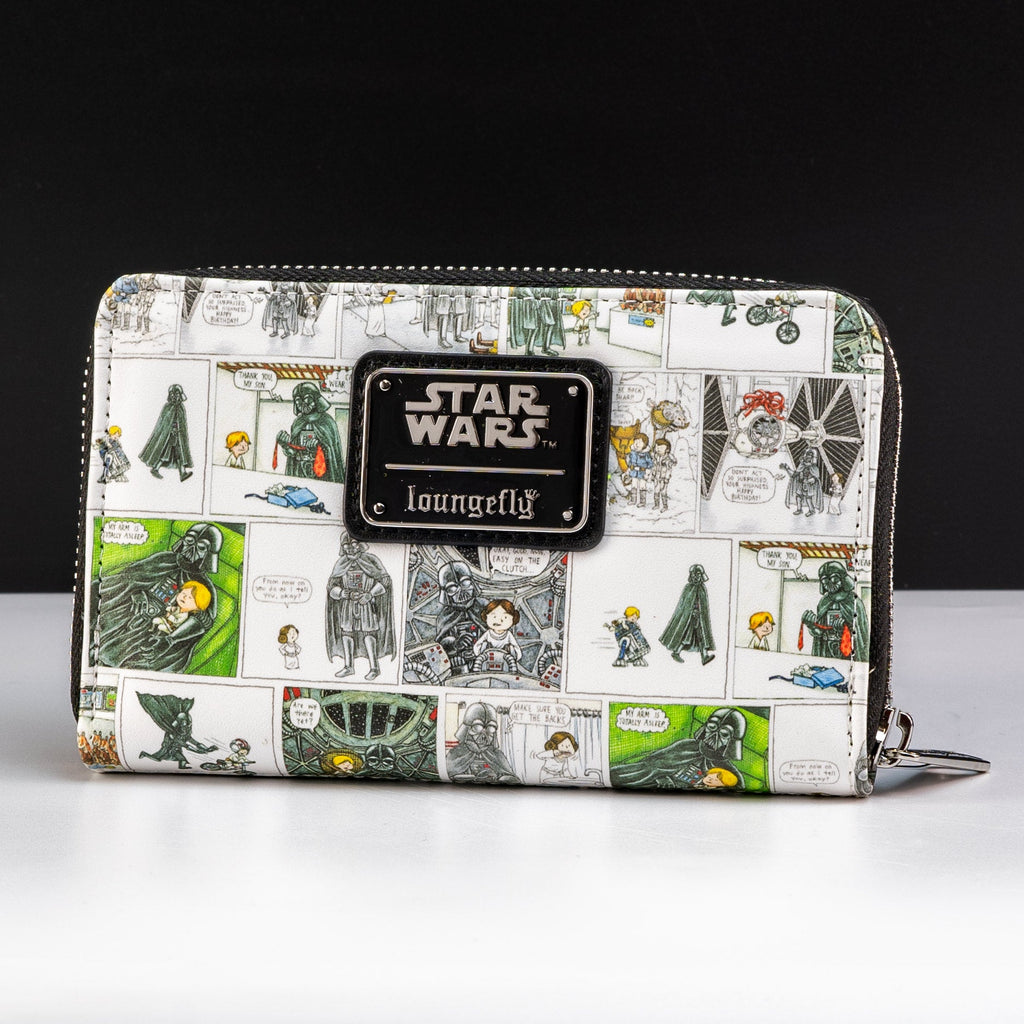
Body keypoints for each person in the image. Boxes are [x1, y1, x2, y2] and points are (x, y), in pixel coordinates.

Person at [92, 523, 223, 674]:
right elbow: (131, 575)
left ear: (209, 554)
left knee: (129, 651)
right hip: (134, 605)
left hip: (160, 627)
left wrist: (169, 640)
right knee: (97, 597)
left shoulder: (205, 586)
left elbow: (204, 621)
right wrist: (137, 592)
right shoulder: (165, 558)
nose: (191, 549)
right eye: (189, 541)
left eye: (200, 547)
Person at [325, 534, 395, 681]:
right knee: (347, 633)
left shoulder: (371, 560)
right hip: (348, 604)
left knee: (368, 633)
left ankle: (374, 667)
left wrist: (370, 594)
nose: (350, 548)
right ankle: (349, 666)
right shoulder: (341, 563)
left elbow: (385, 581)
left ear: (360, 545)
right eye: (346, 545)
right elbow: (331, 585)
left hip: (366, 604)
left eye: (354, 544)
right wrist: (343, 593)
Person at [275, 381, 345, 483]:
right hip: (299, 472)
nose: (303, 404)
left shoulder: (327, 422)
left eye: (307, 399)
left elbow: (332, 455)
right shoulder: (297, 423)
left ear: (316, 400)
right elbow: (294, 454)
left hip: (322, 474)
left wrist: (318, 450)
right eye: (298, 401)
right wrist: (286, 445)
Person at [660, 564, 715, 665]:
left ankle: (704, 656)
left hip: (699, 618)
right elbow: (684, 605)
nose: (696, 577)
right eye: (694, 574)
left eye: (698, 574)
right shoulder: (688, 588)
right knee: (687, 635)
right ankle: (677, 652)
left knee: (701, 636)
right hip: (689, 618)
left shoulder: (702, 588)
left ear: (701, 575)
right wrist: (690, 613)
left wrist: (700, 614)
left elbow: (704, 605)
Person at [139, 384, 193, 481]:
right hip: (169, 436)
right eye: (173, 394)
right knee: (167, 452)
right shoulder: (168, 407)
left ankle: (181, 473)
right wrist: (170, 431)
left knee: (178, 454)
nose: (175, 396)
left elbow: (182, 423)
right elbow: (164, 423)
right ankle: (158, 469)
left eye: (177, 394)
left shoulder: (181, 407)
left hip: (178, 436)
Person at [472, 599, 522, 671]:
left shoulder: (508, 635)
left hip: (505, 660)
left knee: (511, 647)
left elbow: (516, 647)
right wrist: (480, 655)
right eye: (494, 617)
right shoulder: (488, 633)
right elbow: (478, 645)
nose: (498, 621)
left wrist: (515, 657)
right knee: (484, 643)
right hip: (487, 658)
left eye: (505, 617)